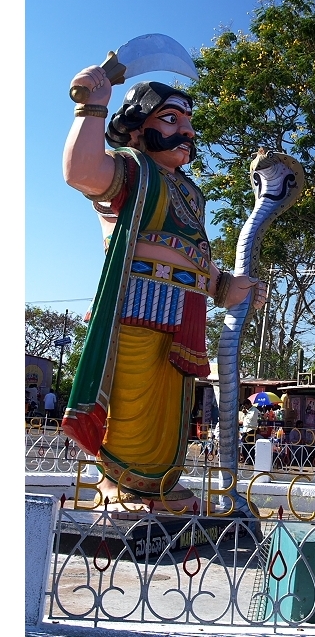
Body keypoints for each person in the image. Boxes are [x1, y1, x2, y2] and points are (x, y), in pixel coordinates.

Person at [61, 64, 267, 511]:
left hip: (186, 313)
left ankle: (159, 484)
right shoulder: (131, 171)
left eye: (189, 123)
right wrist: (92, 107)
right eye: (171, 119)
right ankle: (118, 485)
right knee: (131, 400)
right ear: (135, 130)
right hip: (139, 303)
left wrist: (226, 287)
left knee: (171, 406)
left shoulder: (192, 194)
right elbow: (82, 171)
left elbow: (196, 256)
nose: (186, 132)